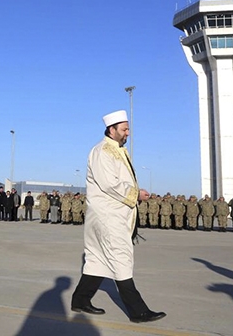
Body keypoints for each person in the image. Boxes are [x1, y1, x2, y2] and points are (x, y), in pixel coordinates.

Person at [71, 109, 165, 323]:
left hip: (109, 214)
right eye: (124, 129)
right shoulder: (103, 151)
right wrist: (136, 194)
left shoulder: (118, 150)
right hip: (108, 216)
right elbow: (109, 184)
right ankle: (137, 311)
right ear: (111, 130)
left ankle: (80, 300)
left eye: (128, 128)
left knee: (96, 259)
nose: (128, 133)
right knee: (121, 258)